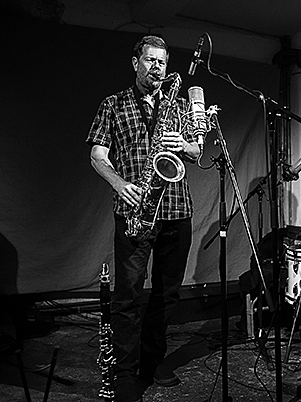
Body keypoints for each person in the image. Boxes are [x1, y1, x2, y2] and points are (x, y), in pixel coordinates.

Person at [86, 35, 200, 402]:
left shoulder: (180, 105)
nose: (157, 68)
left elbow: (198, 150)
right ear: (136, 63)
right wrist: (120, 184)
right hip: (135, 211)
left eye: (162, 62)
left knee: (167, 295)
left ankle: (153, 360)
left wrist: (183, 145)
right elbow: (97, 156)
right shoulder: (113, 105)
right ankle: (124, 373)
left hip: (177, 210)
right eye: (150, 61)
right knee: (128, 296)